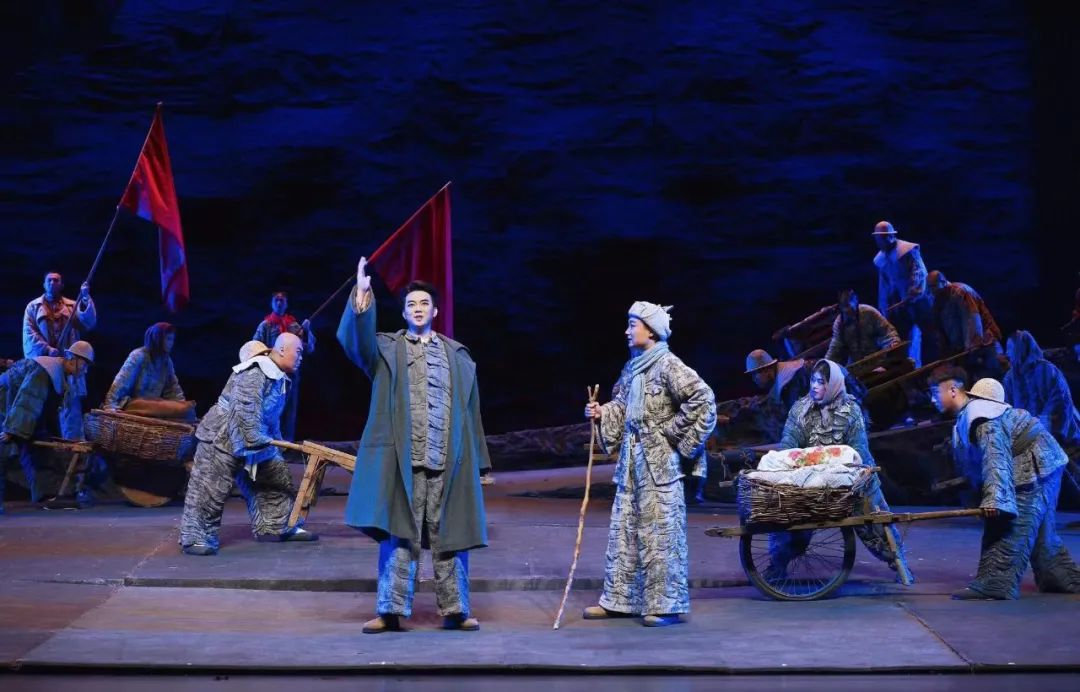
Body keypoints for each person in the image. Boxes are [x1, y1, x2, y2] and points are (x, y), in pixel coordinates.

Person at [338, 258, 489, 634]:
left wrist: (479, 464)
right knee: (399, 535)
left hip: (446, 459)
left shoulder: (457, 355)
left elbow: (471, 412)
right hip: (402, 460)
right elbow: (356, 343)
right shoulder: (387, 350)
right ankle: (389, 611)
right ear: (404, 313)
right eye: (411, 304)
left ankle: (456, 610)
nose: (418, 309)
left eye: (424, 303)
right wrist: (362, 295)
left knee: (450, 535)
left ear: (435, 311)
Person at [582, 302, 716, 627]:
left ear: (651, 330)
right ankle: (620, 601)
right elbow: (621, 404)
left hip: (660, 464)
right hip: (632, 462)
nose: (627, 331)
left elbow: (703, 399)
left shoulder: (669, 365)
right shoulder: (633, 368)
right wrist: (602, 412)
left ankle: (664, 605)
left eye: (633, 325)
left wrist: (671, 434)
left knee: (660, 533)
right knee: (625, 529)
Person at [928, 366, 1080, 599]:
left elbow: (995, 456)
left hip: (1035, 464)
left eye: (934, 392)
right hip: (1046, 462)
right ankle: (1061, 577)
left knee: (1010, 524)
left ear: (952, 390)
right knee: (1041, 534)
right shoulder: (973, 415)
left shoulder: (982, 415)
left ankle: (996, 583)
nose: (931, 399)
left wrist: (996, 499)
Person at [769, 359, 913, 582]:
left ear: (834, 384)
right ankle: (777, 565)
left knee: (875, 521)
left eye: (822, 382)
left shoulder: (850, 410)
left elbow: (859, 449)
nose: (815, 386)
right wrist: (788, 462)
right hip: (811, 477)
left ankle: (897, 561)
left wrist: (854, 473)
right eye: (813, 381)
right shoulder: (800, 409)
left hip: (851, 477)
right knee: (791, 518)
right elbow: (789, 441)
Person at [178, 333, 316, 555]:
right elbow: (244, 407)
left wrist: (276, 441)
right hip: (222, 436)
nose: (301, 357)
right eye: (298, 352)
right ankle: (196, 536)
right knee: (210, 486)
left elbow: (271, 415)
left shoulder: (278, 377)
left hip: (255, 437)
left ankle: (278, 524)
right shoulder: (255, 371)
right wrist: (255, 438)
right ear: (282, 349)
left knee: (275, 475)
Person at [0, 342, 94, 513]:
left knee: (40, 449)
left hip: (18, 409)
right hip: (5, 401)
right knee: (4, 449)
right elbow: (28, 400)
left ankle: (46, 496)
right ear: (71, 358)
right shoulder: (45, 370)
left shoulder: (61, 376)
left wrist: (55, 438)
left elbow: (47, 410)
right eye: (84, 364)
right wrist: (11, 430)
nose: (85, 370)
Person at [22, 272, 97, 439]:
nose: (52, 283)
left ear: (62, 285)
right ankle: (39, 440)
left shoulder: (72, 306)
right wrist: (47, 349)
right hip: (46, 366)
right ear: (44, 284)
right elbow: (29, 333)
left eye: (56, 280)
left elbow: (88, 323)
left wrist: (85, 299)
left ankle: (72, 444)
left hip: (68, 366)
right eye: (49, 280)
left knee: (70, 406)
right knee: (42, 402)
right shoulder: (33, 307)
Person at [253, 291, 316, 441]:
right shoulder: (266, 325)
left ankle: (286, 444)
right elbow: (255, 346)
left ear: (286, 304)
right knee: (270, 408)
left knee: (288, 411)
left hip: (290, 376)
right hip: (271, 374)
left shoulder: (293, 326)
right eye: (276, 300)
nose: (279, 303)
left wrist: (307, 330)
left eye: (282, 300)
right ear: (272, 303)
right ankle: (265, 440)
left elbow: (308, 348)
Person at [1002, 331, 1080, 447]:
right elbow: (1008, 407)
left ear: (1020, 348)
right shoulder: (1009, 378)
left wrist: (1044, 418)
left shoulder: (1046, 369)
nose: (1007, 353)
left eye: (1010, 348)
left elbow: (1059, 397)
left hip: (1054, 426)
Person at [872, 221, 932, 366]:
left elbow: (918, 273)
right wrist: (884, 305)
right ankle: (910, 367)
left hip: (917, 301)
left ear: (890, 236)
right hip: (899, 304)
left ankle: (925, 367)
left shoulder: (908, 251)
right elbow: (884, 285)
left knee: (925, 334)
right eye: (878, 238)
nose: (879, 241)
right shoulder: (881, 259)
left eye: (882, 237)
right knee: (905, 337)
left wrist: (913, 292)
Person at [103, 322, 185, 410]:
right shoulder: (138, 356)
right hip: (131, 403)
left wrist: (183, 407)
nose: (171, 343)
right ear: (158, 338)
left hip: (151, 406)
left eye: (172, 340)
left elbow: (173, 389)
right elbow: (121, 382)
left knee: (167, 407)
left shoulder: (166, 362)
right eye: (168, 339)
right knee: (156, 405)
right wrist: (110, 405)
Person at [926, 270, 1002, 358]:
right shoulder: (937, 302)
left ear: (943, 282)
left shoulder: (960, 292)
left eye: (933, 286)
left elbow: (972, 319)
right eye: (929, 287)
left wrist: (973, 347)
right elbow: (940, 330)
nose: (931, 290)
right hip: (964, 351)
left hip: (986, 344)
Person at [825, 289, 902, 365]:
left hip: (879, 359)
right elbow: (835, 348)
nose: (850, 314)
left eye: (851, 310)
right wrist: (825, 364)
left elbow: (887, 332)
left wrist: (894, 342)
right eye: (846, 311)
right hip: (857, 365)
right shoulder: (839, 323)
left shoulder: (869, 312)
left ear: (856, 301)